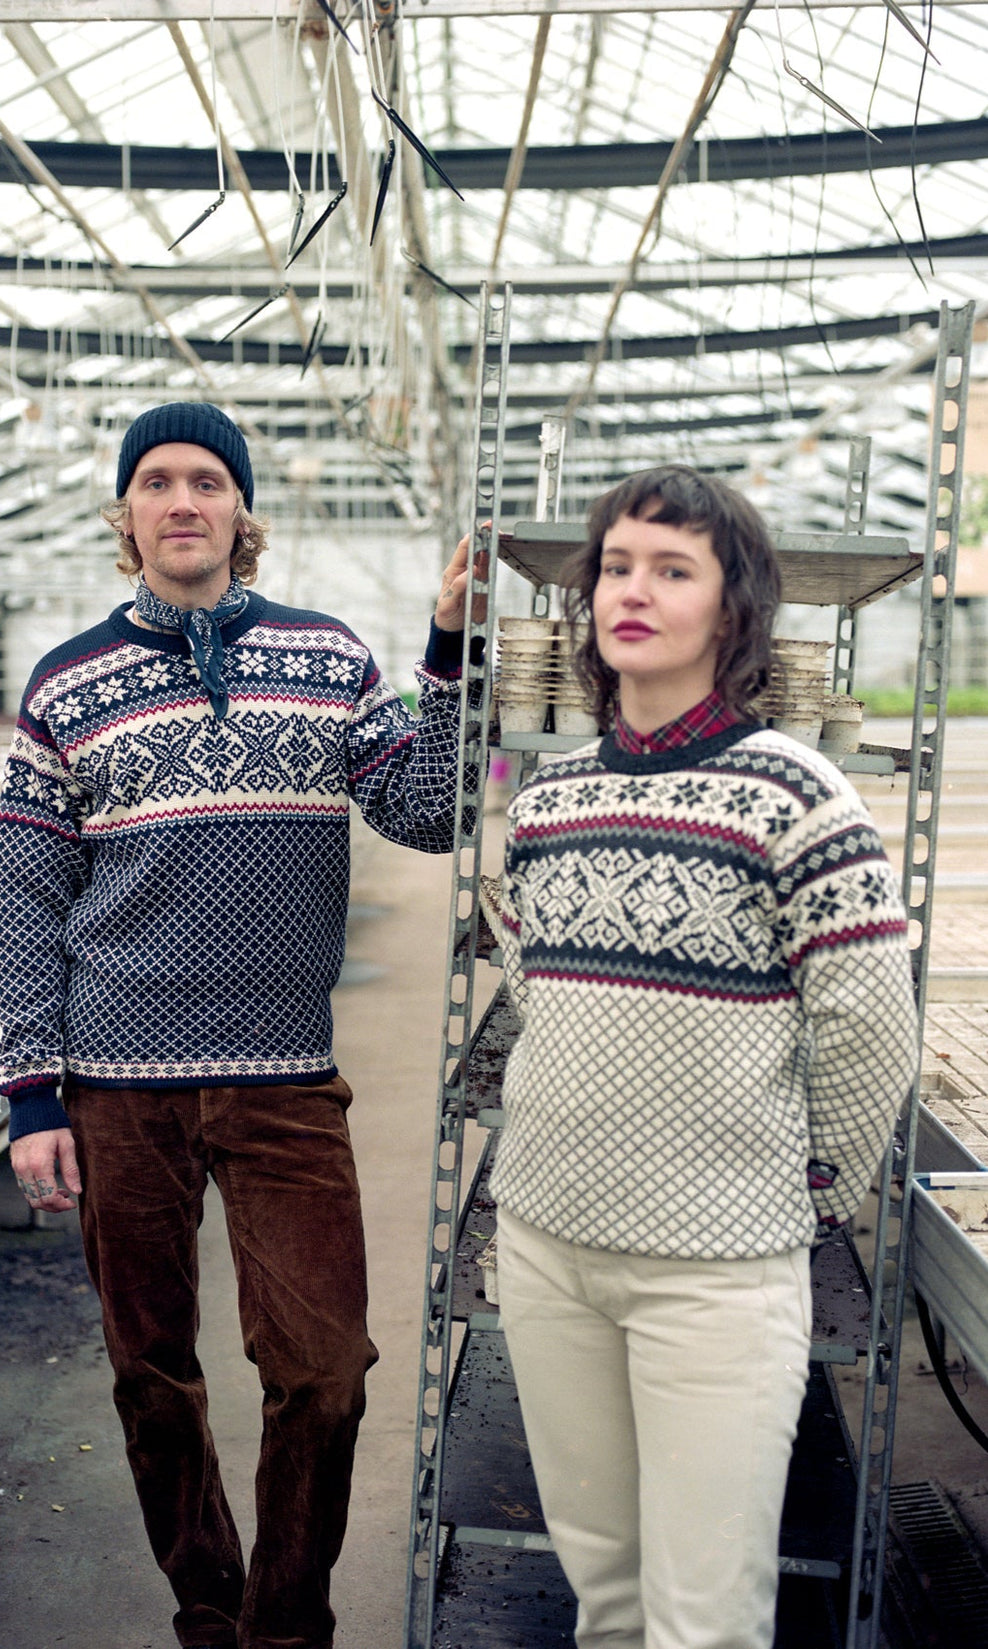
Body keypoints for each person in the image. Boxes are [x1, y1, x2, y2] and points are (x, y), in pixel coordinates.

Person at [0, 400, 479, 1649]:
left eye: (207, 478)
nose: (183, 499)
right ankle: (207, 1609)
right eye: (157, 479)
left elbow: (425, 814)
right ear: (128, 514)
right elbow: (27, 889)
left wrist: (448, 649)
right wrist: (34, 1090)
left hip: (280, 1080)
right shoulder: (67, 684)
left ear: (241, 511)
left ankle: (282, 1623)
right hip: (114, 1080)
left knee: (323, 1367)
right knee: (154, 1377)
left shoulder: (327, 659)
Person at [491, 464, 919, 1649]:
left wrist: (800, 1185)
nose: (631, 589)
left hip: (714, 1272)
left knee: (704, 1617)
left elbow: (871, 1026)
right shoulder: (548, 798)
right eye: (614, 567)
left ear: (731, 610)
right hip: (544, 1249)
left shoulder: (796, 793)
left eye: (671, 569)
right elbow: (534, 981)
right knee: (607, 1597)